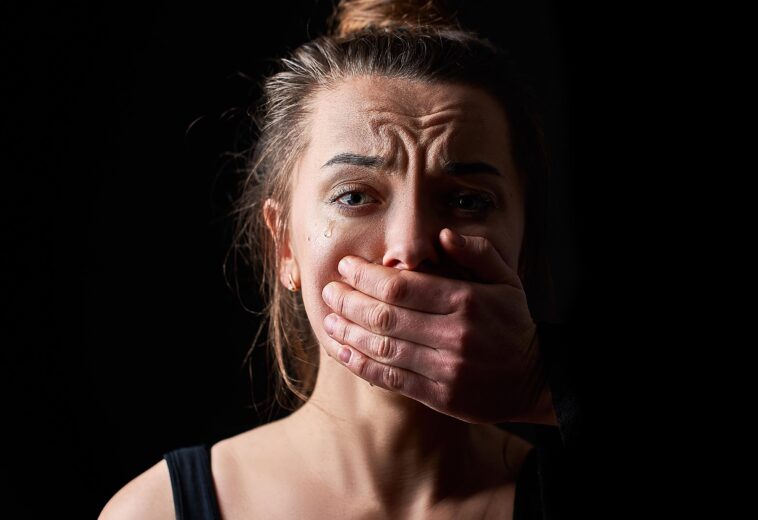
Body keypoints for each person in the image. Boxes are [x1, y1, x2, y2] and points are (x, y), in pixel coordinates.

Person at [99, 1, 581, 518]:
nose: (411, 247)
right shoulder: (158, 510)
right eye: (353, 196)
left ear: (525, 244)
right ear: (283, 245)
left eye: (468, 201)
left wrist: (542, 380)